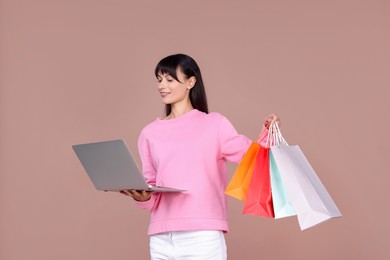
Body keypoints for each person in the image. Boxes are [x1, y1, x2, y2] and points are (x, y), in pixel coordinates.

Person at [120, 54, 280, 259]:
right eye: (159, 79)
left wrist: (270, 132)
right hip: (161, 237)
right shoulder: (149, 133)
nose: (162, 85)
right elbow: (150, 188)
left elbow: (254, 158)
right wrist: (141, 197)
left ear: (190, 82)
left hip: (202, 235)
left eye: (169, 79)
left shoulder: (214, 124)